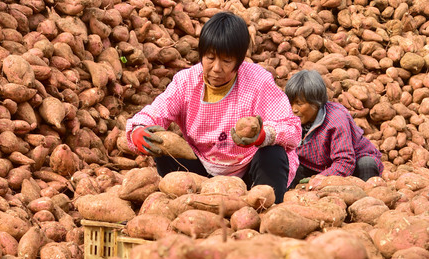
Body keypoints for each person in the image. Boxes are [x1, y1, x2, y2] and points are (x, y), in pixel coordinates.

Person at [125, 12, 301, 204]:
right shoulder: (186, 81)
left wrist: (262, 135)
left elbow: (292, 129)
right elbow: (156, 112)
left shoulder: (258, 81)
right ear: (201, 55)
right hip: (200, 172)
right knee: (162, 146)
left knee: (273, 152)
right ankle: (189, 205)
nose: (216, 68)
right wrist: (138, 130)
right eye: (210, 58)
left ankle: (266, 210)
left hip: (248, 173)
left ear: (239, 62)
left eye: (226, 61)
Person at [284, 70, 383, 187]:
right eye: (290, 103)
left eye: (299, 104)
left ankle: (367, 201)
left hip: (352, 162)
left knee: (367, 165)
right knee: (287, 167)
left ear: (316, 103)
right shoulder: (289, 117)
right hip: (316, 166)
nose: (294, 109)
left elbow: (345, 162)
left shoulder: (336, 120)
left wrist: (322, 179)